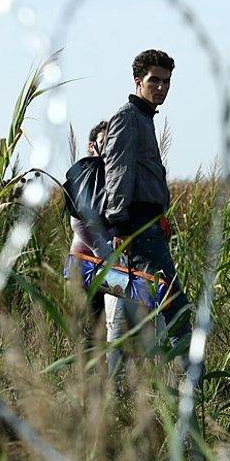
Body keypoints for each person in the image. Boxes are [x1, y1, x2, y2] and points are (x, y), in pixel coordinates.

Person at [101, 49, 191, 356]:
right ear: (138, 80)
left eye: (166, 82)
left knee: (130, 317)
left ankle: (114, 391)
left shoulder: (143, 118)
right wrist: (120, 225)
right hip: (138, 229)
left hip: (148, 225)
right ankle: (191, 384)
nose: (161, 87)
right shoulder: (127, 118)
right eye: (154, 80)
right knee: (176, 309)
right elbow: (117, 172)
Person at [67, 120, 129, 372]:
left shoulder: (113, 173)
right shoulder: (86, 174)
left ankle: (112, 379)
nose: (108, 148)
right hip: (88, 265)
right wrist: (107, 255)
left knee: (115, 323)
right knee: (95, 326)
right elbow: (79, 224)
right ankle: (95, 380)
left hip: (109, 262)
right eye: (104, 143)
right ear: (92, 146)